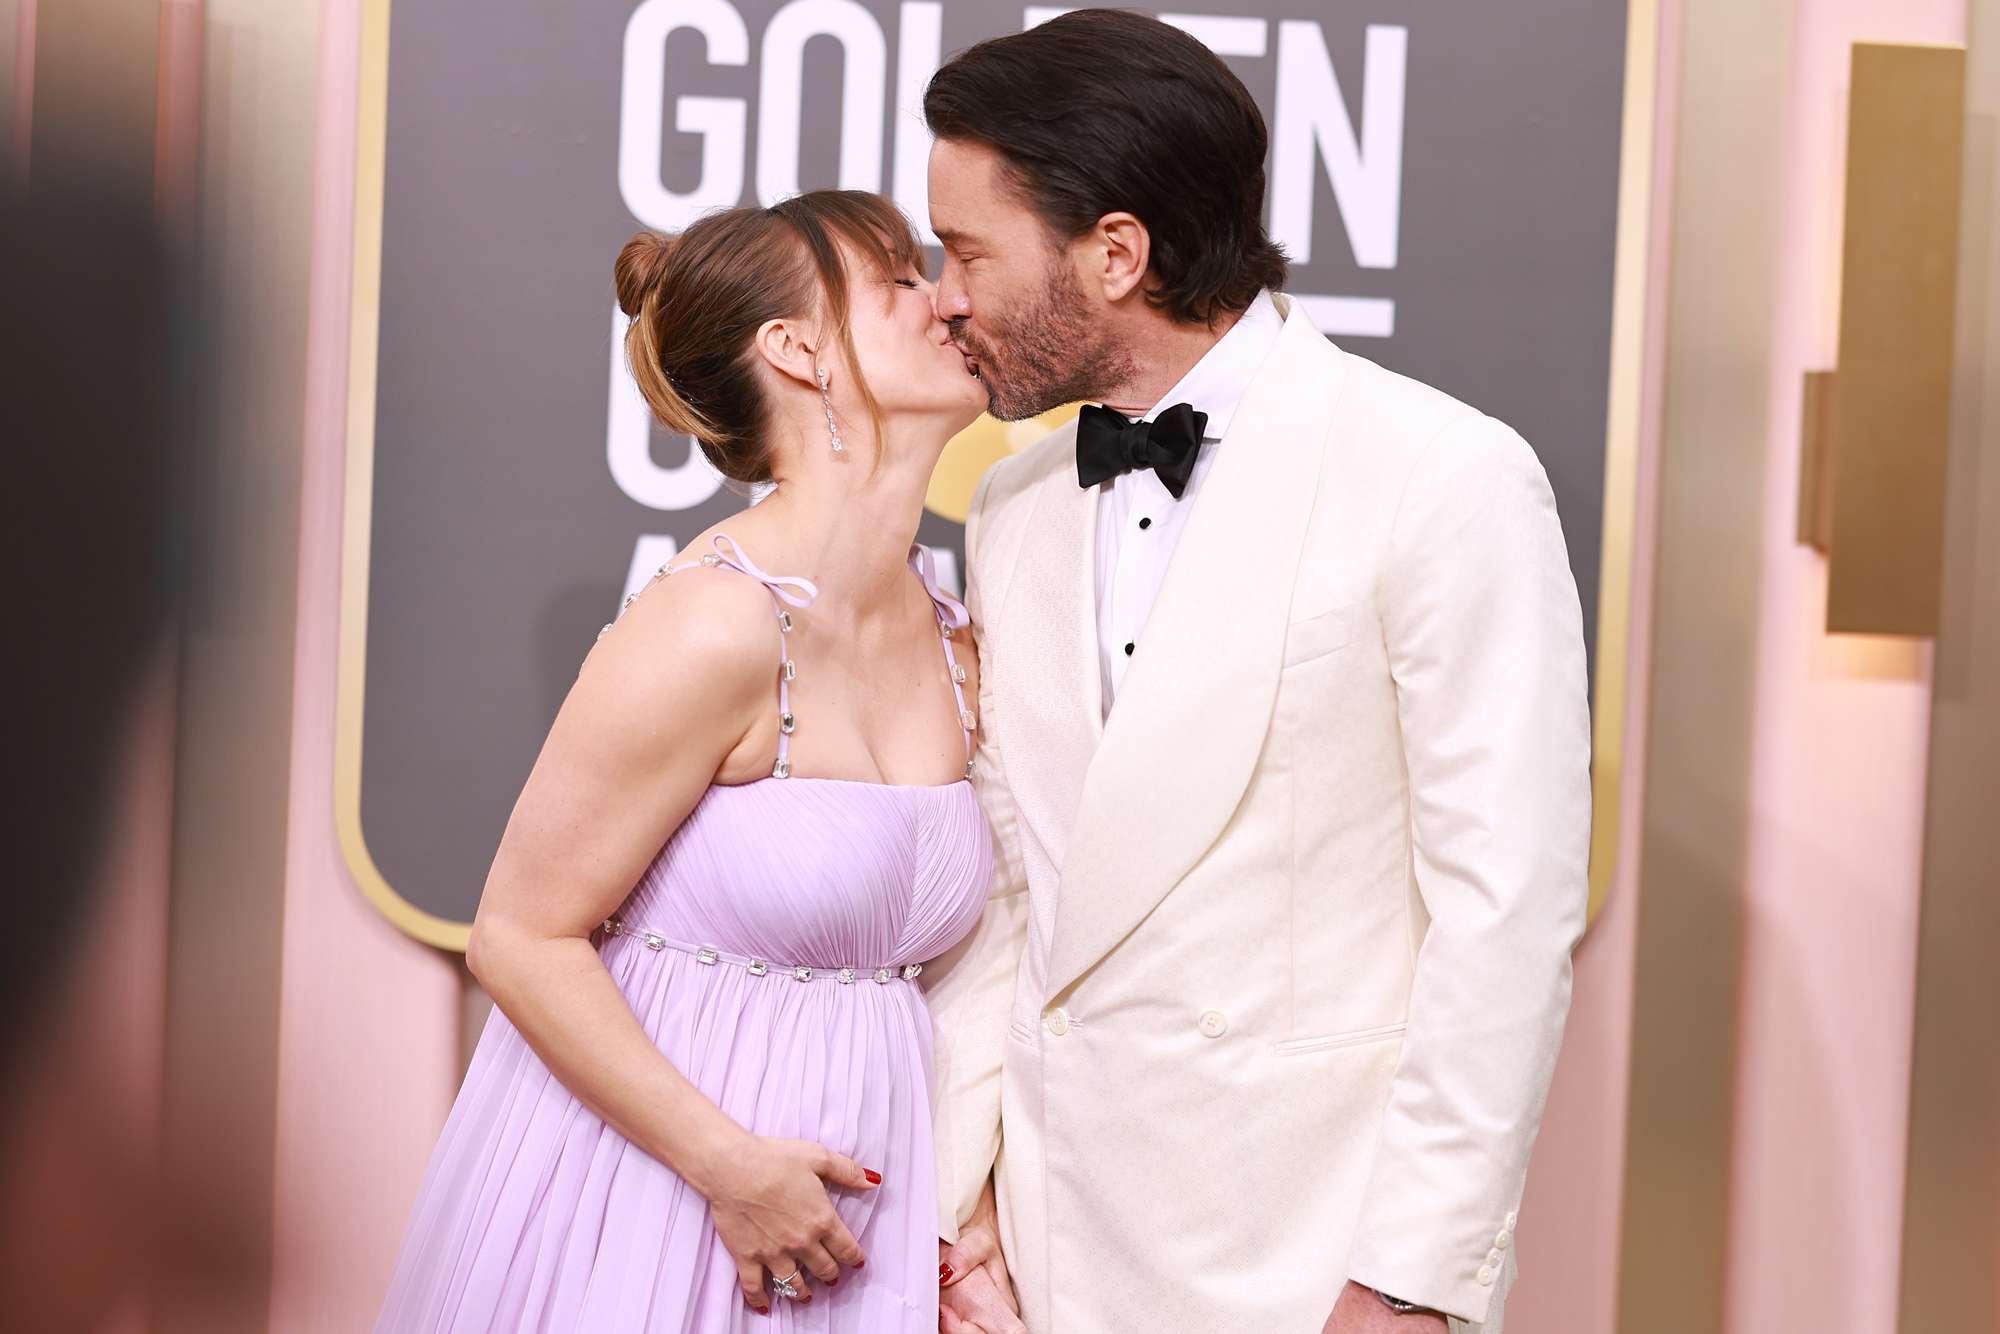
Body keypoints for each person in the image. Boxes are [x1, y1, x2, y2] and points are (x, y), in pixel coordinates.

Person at [919, 11, 1592, 1334]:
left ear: (1115, 252)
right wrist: (964, 1208)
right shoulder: (1013, 503)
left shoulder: (1440, 477)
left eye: (966, 252)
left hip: (1304, 1257)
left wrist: (1411, 1279)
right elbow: (1014, 886)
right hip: (1045, 1261)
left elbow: (1503, 917)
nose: (943, 297)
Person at [377, 190, 996, 1332]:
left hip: (868, 1212)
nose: (947, 299)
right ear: (796, 348)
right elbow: (521, 934)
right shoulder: (712, 624)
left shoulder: (957, 628)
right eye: (900, 281)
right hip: (662, 1196)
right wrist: (728, 1165)